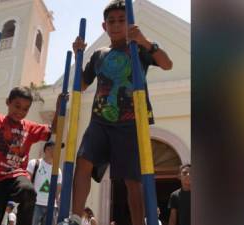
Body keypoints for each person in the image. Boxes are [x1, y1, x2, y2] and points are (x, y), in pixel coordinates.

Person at [60, 1, 172, 225]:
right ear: (104, 26)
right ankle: (74, 217)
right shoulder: (100, 54)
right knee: (83, 161)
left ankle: (139, 222)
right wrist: (79, 55)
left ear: (130, 23)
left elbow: (167, 64)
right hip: (100, 120)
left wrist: (144, 41)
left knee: (133, 180)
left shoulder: (138, 49)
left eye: (122, 20)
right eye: (111, 21)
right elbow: (81, 85)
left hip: (131, 122)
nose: (117, 25)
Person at [0, 68, 61, 225]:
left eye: (25, 109)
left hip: (16, 176)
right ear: (8, 102)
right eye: (17, 106)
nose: (20, 112)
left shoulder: (29, 127)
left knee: (28, 192)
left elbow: (54, 129)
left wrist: (59, 108)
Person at [27, 141, 64, 225]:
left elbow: (57, 192)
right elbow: (27, 183)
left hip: (51, 207)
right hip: (35, 204)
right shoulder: (34, 163)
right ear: (47, 149)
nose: (58, 152)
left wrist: (58, 206)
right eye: (56, 149)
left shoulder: (58, 170)